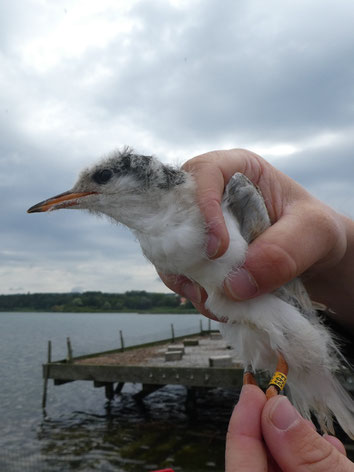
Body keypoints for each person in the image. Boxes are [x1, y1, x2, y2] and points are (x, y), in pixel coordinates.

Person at [159, 149, 354, 470]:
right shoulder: (170, 238)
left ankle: (271, 388)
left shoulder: (230, 195)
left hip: (290, 330)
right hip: (255, 330)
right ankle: (259, 382)